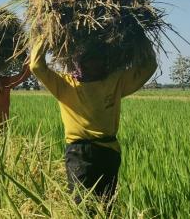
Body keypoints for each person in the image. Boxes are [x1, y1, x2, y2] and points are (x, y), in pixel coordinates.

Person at [29, 37, 157, 206]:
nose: (95, 64)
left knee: (106, 206)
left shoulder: (115, 82)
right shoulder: (65, 84)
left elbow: (149, 66)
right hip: (79, 154)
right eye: (90, 60)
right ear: (79, 63)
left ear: (106, 62)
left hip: (109, 151)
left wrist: (141, 39)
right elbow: (36, 66)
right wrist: (45, 37)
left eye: (99, 59)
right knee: (81, 206)